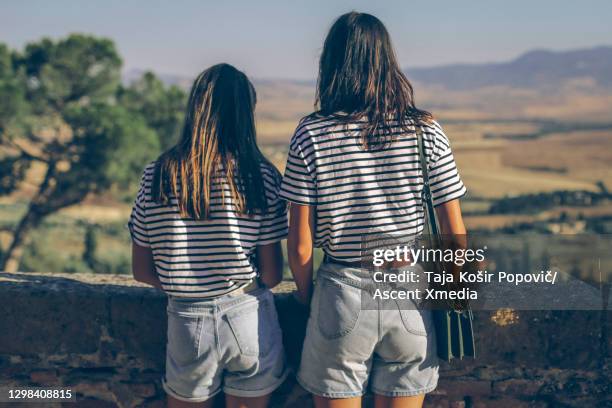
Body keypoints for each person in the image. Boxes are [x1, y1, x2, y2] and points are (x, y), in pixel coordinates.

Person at [280, 12, 468, 408]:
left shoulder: (310, 133)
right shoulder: (426, 130)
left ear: (331, 64)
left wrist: (306, 295)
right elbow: (453, 236)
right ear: (387, 61)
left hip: (341, 292)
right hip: (409, 296)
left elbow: (299, 246)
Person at [129, 63, 288, 408]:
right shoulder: (260, 175)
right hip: (248, 317)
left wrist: (188, 282)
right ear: (246, 114)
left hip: (187, 322)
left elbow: (141, 270)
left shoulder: (158, 174)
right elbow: (274, 275)